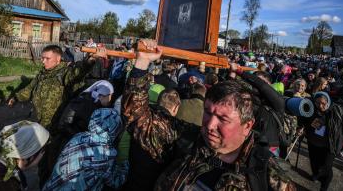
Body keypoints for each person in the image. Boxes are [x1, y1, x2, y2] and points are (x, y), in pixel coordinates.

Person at [122, 39, 296, 191]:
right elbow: (136, 118)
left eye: (223, 118)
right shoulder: (188, 138)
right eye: (207, 112)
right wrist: (142, 63)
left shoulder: (268, 177)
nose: (210, 124)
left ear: (247, 126)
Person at [7, 44, 107, 185]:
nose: (43, 61)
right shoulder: (42, 74)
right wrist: (16, 97)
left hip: (56, 130)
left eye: (47, 58)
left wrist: (90, 60)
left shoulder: (65, 74)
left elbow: (78, 72)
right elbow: (29, 90)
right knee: (42, 165)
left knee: (53, 164)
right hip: (41, 126)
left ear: (58, 59)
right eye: (42, 58)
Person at [43, 108, 128, 191]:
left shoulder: (79, 136)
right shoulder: (105, 155)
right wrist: (124, 163)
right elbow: (116, 182)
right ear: (115, 129)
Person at [301, 91, 343, 191]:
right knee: (314, 162)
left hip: (330, 144)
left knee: (326, 167)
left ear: (328, 101)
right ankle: (316, 174)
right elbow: (303, 119)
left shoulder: (338, 110)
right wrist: (302, 127)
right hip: (313, 142)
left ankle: (323, 187)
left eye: (323, 103)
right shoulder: (312, 108)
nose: (320, 106)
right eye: (317, 103)